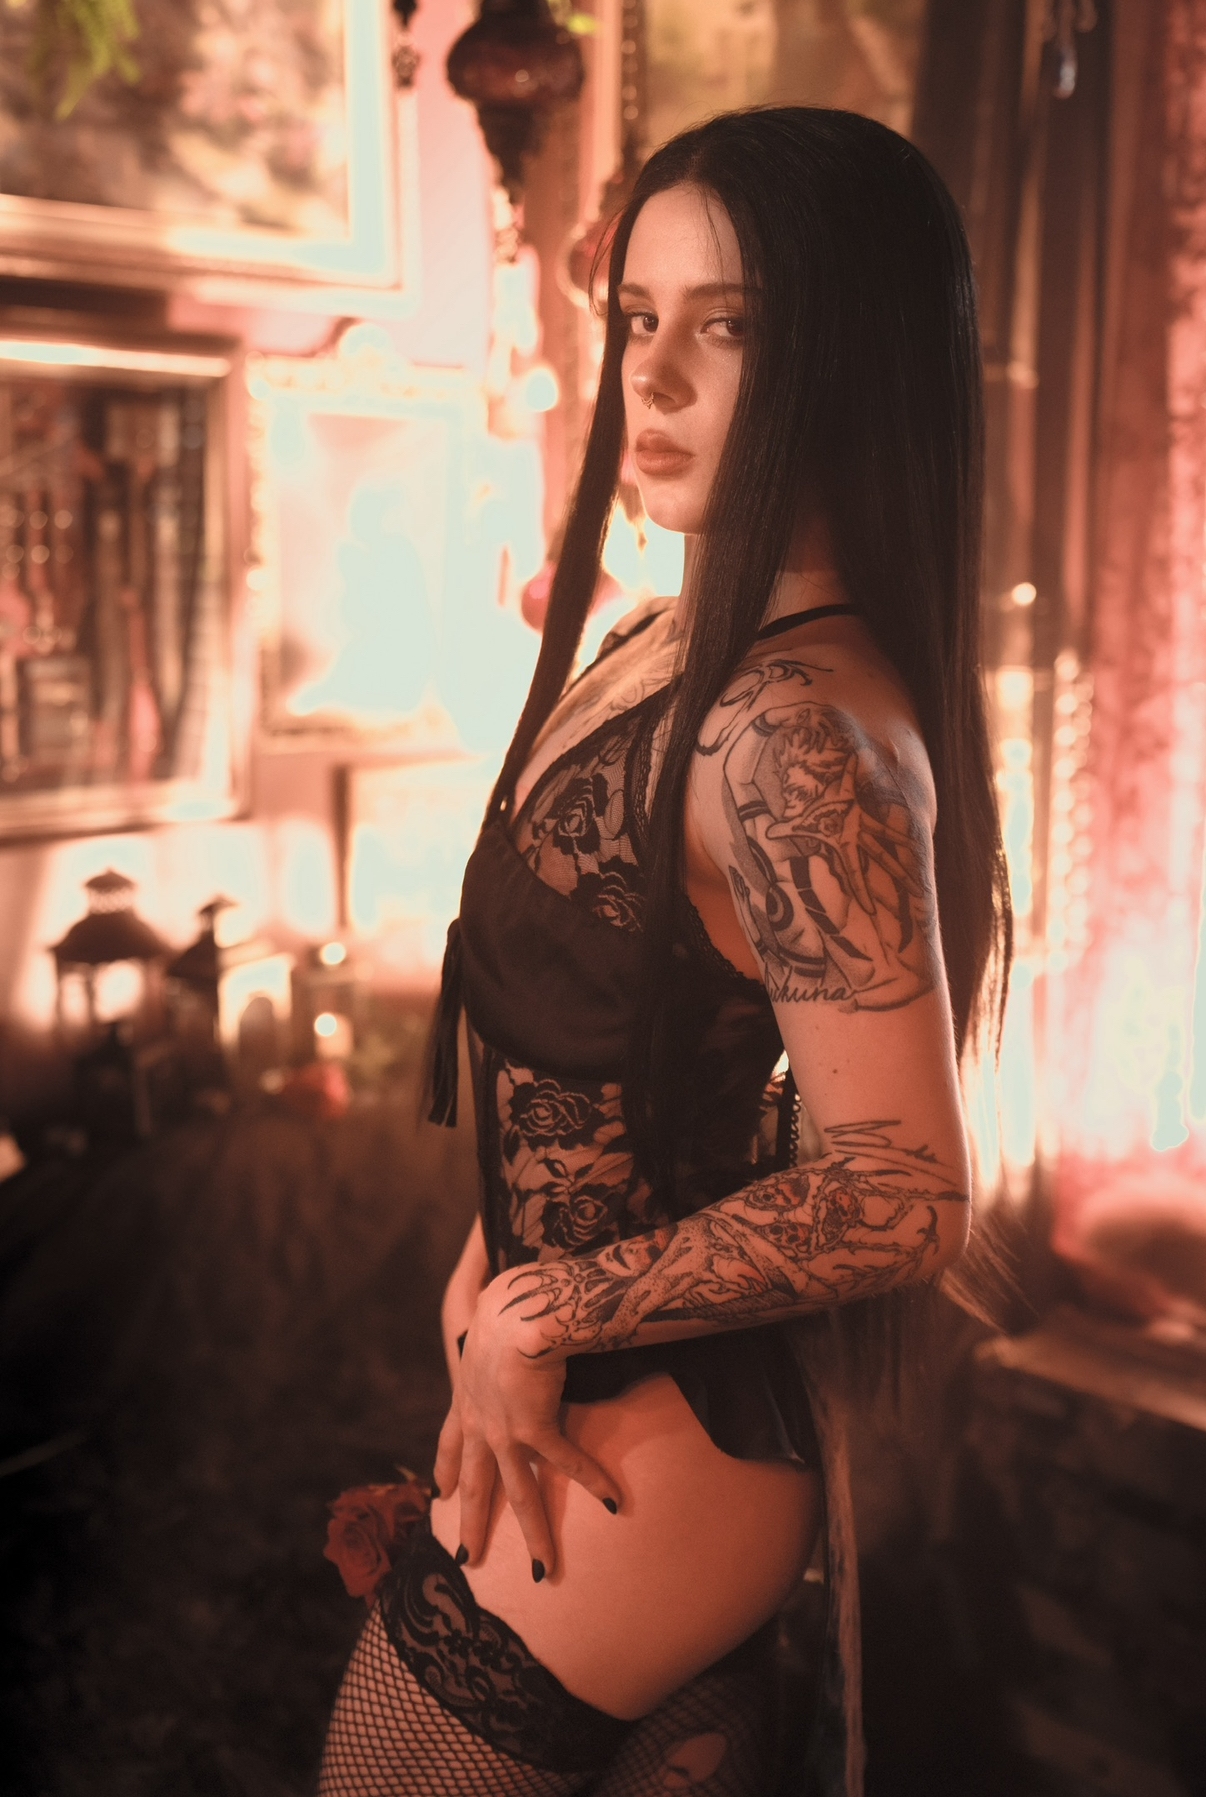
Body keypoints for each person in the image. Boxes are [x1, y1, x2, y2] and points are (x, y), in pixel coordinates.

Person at [318, 106, 1010, 1797]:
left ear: (849, 358)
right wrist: (498, 1261)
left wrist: (539, 1304)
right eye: (638, 317)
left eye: (733, 326)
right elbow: (616, 1046)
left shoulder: (791, 733)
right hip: (590, 1412)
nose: (656, 376)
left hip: (656, 1454)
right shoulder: (656, 632)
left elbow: (904, 1187)